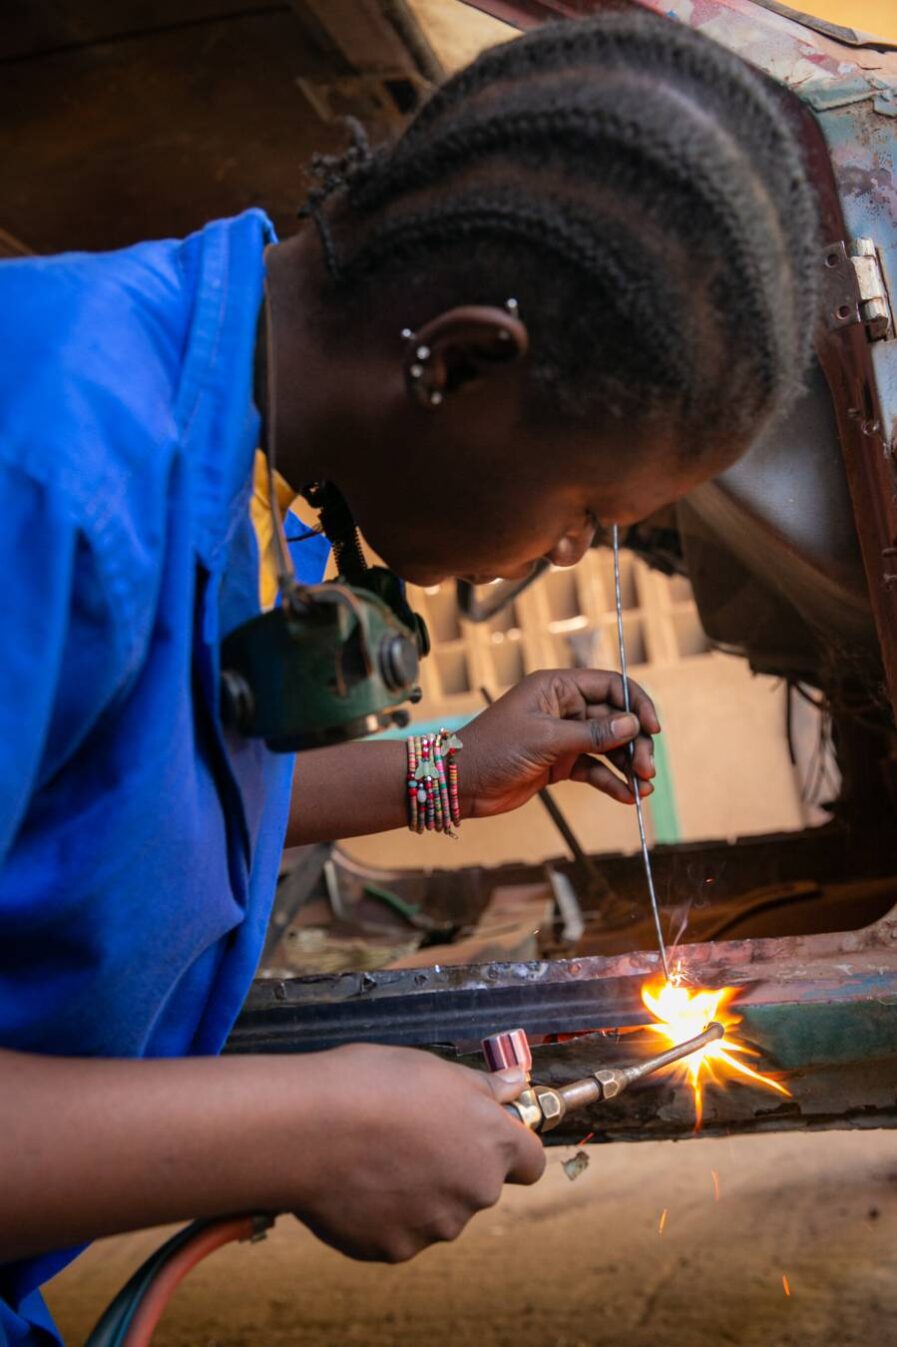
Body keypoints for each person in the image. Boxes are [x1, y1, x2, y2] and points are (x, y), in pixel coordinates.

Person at [0, 10, 820, 1344]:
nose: (560, 550)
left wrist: (443, 774)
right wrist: (302, 1127)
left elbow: (102, 791)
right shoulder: (45, 465)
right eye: (583, 509)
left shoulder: (231, 448)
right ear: (461, 359)